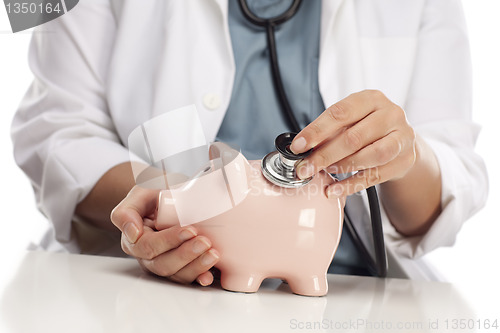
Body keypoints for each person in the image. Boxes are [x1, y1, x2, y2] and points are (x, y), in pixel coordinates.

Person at [11, 0, 487, 286]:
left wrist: (402, 153)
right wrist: (170, 207)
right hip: (139, 285)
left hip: (351, 291)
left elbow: (455, 180)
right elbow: (52, 129)